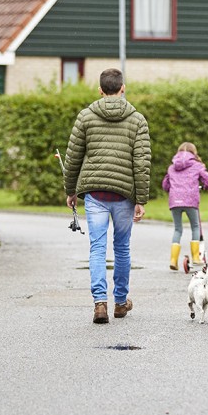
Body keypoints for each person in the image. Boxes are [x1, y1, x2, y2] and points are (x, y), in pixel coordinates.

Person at [64, 68, 150, 323]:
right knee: (122, 248)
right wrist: (141, 199)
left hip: (95, 195)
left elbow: (73, 158)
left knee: (97, 248)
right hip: (124, 195)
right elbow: (142, 162)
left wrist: (71, 190)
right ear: (122, 88)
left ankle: (100, 303)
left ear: (100, 90)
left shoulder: (86, 117)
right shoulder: (137, 120)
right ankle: (121, 302)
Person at [162, 142, 208, 270]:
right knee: (195, 227)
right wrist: (206, 186)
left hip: (175, 201)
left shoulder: (172, 167)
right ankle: (196, 257)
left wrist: (173, 190)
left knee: (178, 229)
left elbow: (165, 185)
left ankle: (173, 260)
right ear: (193, 153)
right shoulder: (197, 165)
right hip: (191, 200)